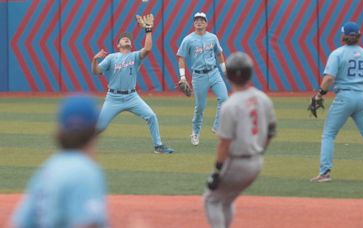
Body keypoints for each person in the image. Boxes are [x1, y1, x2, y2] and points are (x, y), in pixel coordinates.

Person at [310, 21, 363, 183]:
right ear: (358, 36)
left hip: (344, 98)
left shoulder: (337, 54)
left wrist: (320, 94)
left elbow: (329, 78)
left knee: (328, 134)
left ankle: (325, 173)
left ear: (344, 36)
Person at [203, 52, 277, 228]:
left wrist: (217, 171)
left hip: (236, 163)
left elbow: (224, 143)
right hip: (257, 162)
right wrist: (259, 151)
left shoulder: (230, 105)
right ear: (250, 73)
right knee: (226, 200)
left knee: (211, 200)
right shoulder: (262, 98)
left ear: (227, 75)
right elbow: (271, 131)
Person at [12, 94, 108, 227]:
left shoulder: (47, 169)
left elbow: (20, 223)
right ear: (93, 131)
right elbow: (87, 224)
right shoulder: (85, 170)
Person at [91, 14, 174, 154]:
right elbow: (96, 71)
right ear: (118, 45)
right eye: (123, 39)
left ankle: (158, 146)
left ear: (131, 44)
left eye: (128, 39)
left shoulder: (135, 56)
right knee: (99, 127)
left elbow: (147, 49)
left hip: (132, 97)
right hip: (113, 98)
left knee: (151, 116)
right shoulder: (112, 57)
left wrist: (148, 29)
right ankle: (81, 146)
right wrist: (94, 59)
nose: (126, 39)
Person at [177, 12, 228, 146]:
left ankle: (217, 127)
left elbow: (219, 53)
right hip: (199, 76)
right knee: (200, 107)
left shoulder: (212, 38)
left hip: (214, 72)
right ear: (194, 24)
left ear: (206, 23)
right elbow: (181, 57)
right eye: (197, 20)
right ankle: (195, 132)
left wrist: (225, 70)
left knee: (224, 98)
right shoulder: (188, 39)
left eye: (202, 20)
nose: (199, 22)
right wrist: (182, 77)